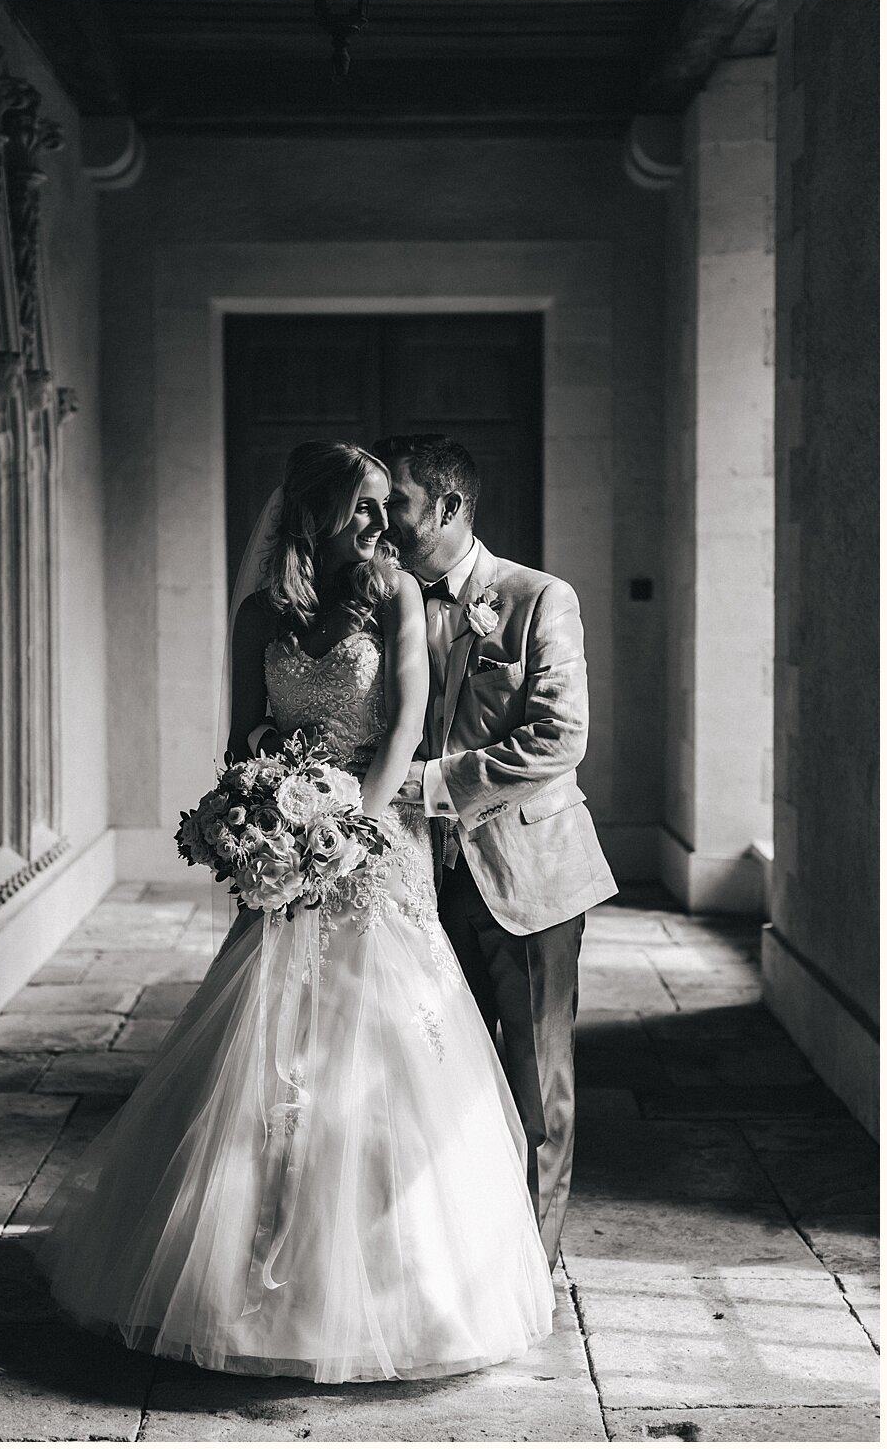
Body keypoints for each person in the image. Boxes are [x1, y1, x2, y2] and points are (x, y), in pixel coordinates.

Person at [33, 441, 553, 1383]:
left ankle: (396, 1289)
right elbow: (240, 735)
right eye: (359, 508)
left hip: (371, 842)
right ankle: (247, 1275)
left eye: (383, 508)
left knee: (379, 1049)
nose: (377, 524)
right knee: (266, 1048)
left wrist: (348, 823)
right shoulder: (259, 615)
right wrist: (261, 805)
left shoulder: (395, 597)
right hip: (288, 836)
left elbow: (401, 725)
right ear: (311, 514)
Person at [374, 433, 619, 1266]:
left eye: (395, 504)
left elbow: (559, 738)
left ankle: (530, 1270)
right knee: (447, 1076)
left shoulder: (541, 597)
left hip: (527, 880)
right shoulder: (386, 601)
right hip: (417, 883)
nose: (380, 523)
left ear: (447, 508)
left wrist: (429, 784)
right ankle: (462, 1258)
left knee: (536, 1083)